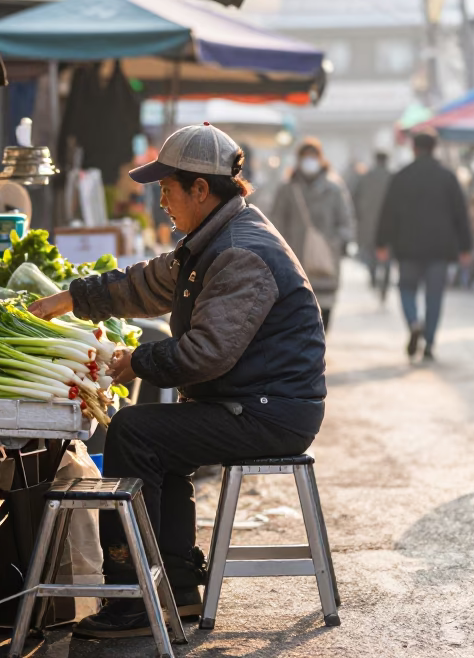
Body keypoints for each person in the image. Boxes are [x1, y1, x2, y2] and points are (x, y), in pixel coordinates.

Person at [28, 124, 326, 638]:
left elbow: (206, 353)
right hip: (248, 402)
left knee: (133, 432)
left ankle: (132, 599)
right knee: (155, 439)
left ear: (200, 189)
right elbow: (144, 284)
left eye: (167, 188)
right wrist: (71, 298)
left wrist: (137, 360)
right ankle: (179, 591)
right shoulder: (211, 242)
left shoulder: (239, 253)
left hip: (269, 411)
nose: (160, 199)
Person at [375, 132, 473, 362]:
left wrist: (381, 243)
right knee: (434, 296)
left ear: (414, 149)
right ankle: (429, 343)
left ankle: (413, 322)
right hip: (440, 249)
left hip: (407, 247)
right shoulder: (448, 177)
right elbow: (461, 214)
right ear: (434, 148)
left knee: (406, 289)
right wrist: (466, 247)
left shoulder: (402, 176)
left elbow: (387, 213)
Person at [267, 139, 356, 330]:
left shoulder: (334, 189)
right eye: (305, 158)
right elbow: (276, 221)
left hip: (325, 261)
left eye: (313, 158)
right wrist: (279, 249)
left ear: (320, 159)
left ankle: (320, 345)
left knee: (325, 308)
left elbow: (346, 221)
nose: (309, 162)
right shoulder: (287, 189)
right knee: (298, 308)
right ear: (298, 160)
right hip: (294, 260)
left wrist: (336, 242)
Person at [353, 151, 394, 303]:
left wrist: (359, 216)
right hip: (390, 225)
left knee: (371, 253)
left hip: (368, 223)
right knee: (388, 257)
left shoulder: (365, 177)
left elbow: (354, 198)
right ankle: (384, 285)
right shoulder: (393, 177)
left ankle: (373, 277)